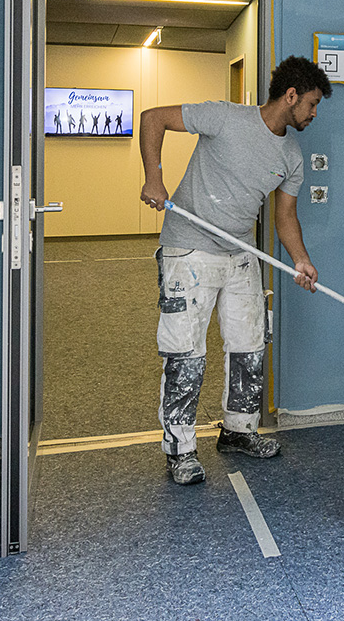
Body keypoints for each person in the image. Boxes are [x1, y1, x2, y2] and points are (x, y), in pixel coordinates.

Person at [139, 55, 332, 485]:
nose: (314, 114)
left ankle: (239, 430)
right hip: (189, 249)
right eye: (313, 104)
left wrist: (300, 259)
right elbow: (152, 119)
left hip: (240, 253)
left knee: (249, 344)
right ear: (292, 95)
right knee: (186, 351)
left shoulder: (292, 156)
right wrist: (154, 177)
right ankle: (180, 449)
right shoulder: (223, 117)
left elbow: (285, 218)